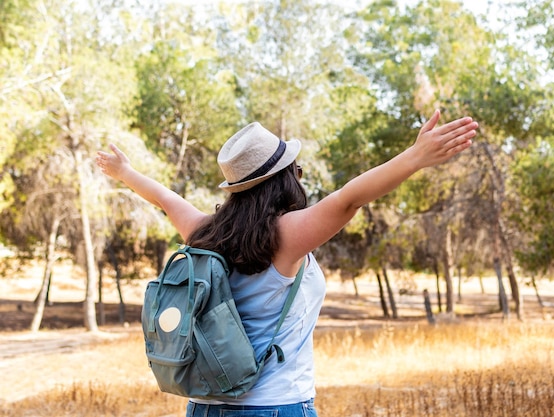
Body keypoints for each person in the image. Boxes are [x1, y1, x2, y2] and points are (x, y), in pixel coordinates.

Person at [96, 110, 477, 417]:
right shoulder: (286, 236)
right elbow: (348, 199)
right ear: (282, 180)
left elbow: (165, 199)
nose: (300, 177)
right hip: (274, 404)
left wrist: (124, 172)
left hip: (204, 408)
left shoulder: (203, 231)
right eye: (297, 171)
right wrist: (415, 157)